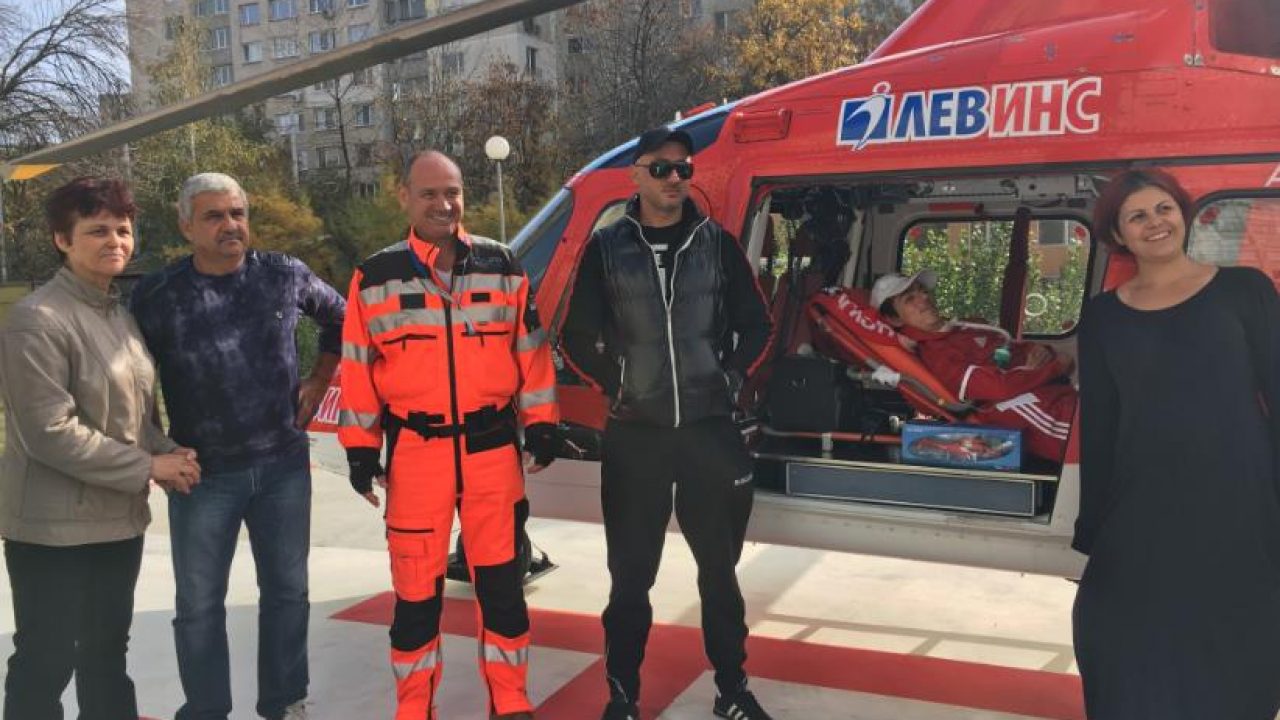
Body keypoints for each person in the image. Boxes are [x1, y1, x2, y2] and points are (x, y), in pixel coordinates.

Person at [560, 127, 774, 720]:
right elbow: (574, 335)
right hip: (637, 436)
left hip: (710, 432)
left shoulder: (717, 243)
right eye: (661, 168)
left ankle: (732, 690)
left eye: (684, 169)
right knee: (631, 579)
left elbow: (758, 325)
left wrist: (730, 378)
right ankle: (622, 696)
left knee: (720, 575)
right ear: (636, 174)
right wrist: (618, 385)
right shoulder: (606, 249)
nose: (675, 178)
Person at [338, 150, 559, 720]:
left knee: (503, 591)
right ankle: (415, 708)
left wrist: (542, 424)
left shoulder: (503, 265)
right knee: (415, 599)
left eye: (452, 192)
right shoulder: (375, 276)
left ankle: (510, 700)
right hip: (417, 455)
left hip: (492, 451)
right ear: (405, 198)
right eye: (429, 193)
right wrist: (360, 449)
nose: (443, 204)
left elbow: (532, 353)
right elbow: (358, 368)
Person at [130, 173, 345, 720]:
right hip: (203, 474)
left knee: (288, 593)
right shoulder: (157, 295)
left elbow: (343, 318)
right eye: (214, 216)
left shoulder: (283, 275)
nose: (230, 225)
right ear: (186, 226)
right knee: (199, 606)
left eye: (237, 213)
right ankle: (205, 710)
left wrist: (320, 377)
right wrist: (157, 447)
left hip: (283, 466)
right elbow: (133, 380)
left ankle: (284, 702)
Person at [1072, 169, 1280, 718]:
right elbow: (1101, 426)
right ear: (1117, 234)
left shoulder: (1245, 290)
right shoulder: (1102, 317)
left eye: (1163, 208)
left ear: (1183, 213)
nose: (1155, 223)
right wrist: (1093, 526)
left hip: (1240, 498)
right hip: (1143, 505)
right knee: (1115, 636)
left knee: (1235, 638)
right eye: (1137, 216)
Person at [0, 177, 200, 720]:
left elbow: (133, 418)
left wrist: (170, 452)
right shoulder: (36, 319)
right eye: (97, 231)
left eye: (123, 230)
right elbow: (50, 432)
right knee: (46, 659)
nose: (115, 241)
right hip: (52, 531)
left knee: (107, 654)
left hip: (117, 521)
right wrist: (149, 465)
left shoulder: (119, 315)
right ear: (62, 240)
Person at [872, 271, 1077, 462]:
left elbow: (1012, 348)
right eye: (910, 299)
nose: (924, 297)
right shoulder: (937, 355)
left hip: (1053, 391)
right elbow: (998, 388)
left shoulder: (965, 328)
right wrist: (1055, 367)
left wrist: (1042, 351)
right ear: (894, 319)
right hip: (1027, 406)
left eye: (922, 290)